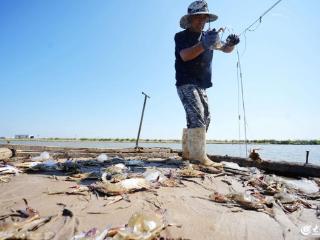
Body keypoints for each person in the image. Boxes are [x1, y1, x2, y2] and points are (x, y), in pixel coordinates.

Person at [175, 1, 240, 166]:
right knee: (197, 118)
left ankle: (188, 153)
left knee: (205, 117)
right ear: (189, 20)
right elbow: (185, 55)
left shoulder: (209, 36)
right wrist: (204, 44)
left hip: (201, 84)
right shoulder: (181, 36)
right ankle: (198, 157)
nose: (201, 21)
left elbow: (224, 49)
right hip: (186, 82)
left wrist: (231, 43)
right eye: (197, 18)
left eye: (204, 18)